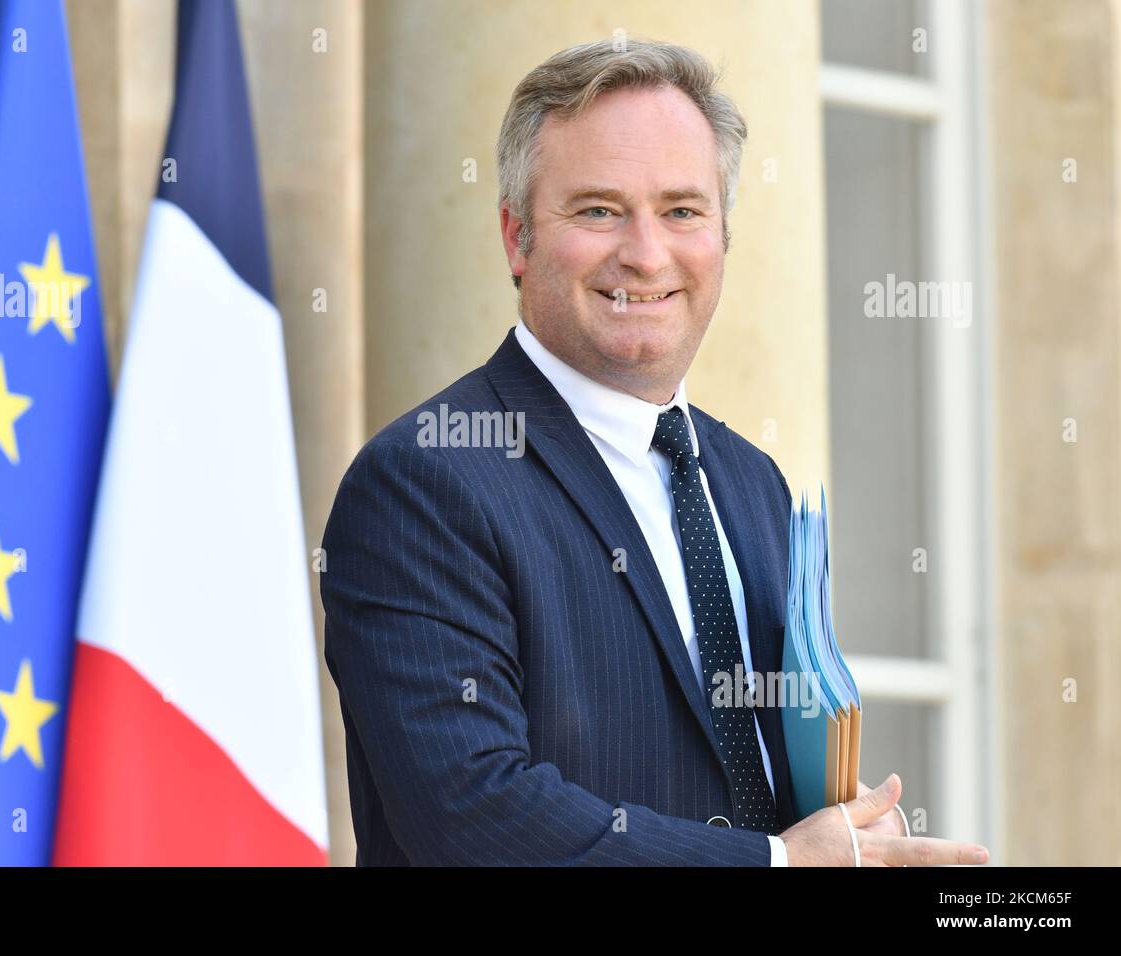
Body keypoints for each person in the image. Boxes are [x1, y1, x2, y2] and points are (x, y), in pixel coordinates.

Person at [320, 37, 990, 867]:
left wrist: (848, 839)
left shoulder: (753, 484)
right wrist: (779, 866)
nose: (645, 253)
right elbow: (471, 815)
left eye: (682, 210)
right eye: (598, 209)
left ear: (722, 236)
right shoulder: (423, 482)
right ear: (516, 238)